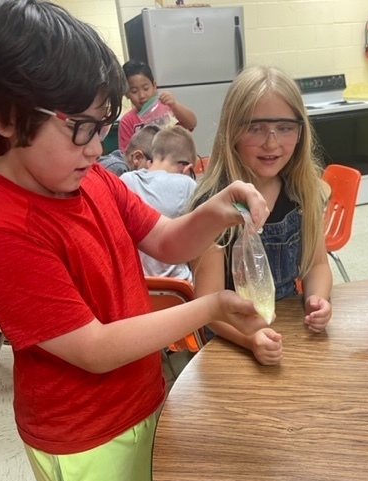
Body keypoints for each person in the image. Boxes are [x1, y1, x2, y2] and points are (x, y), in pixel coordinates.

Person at [0, 0, 269, 481]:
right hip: (77, 432)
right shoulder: (3, 227)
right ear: (5, 117)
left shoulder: (91, 178)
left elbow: (167, 241)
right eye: (79, 127)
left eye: (103, 124)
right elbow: (92, 348)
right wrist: (209, 306)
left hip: (134, 399)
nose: (96, 145)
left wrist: (216, 206)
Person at [191, 65, 333, 366]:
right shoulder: (212, 206)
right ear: (231, 131)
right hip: (232, 342)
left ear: (301, 130)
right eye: (255, 128)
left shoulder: (303, 193)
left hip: (289, 331)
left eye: (284, 128)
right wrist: (249, 340)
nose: (271, 143)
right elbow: (207, 305)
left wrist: (317, 299)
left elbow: (317, 265)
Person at [121, 125, 197, 282]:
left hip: (137, 284)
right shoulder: (187, 185)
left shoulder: (125, 181)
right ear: (186, 168)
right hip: (178, 289)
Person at [118, 60, 197, 152]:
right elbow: (127, 155)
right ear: (126, 94)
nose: (142, 95)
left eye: (146, 88)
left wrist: (174, 105)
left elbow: (192, 123)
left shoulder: (166, 107)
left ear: (154, 86)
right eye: (134, 91)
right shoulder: (127, 121)